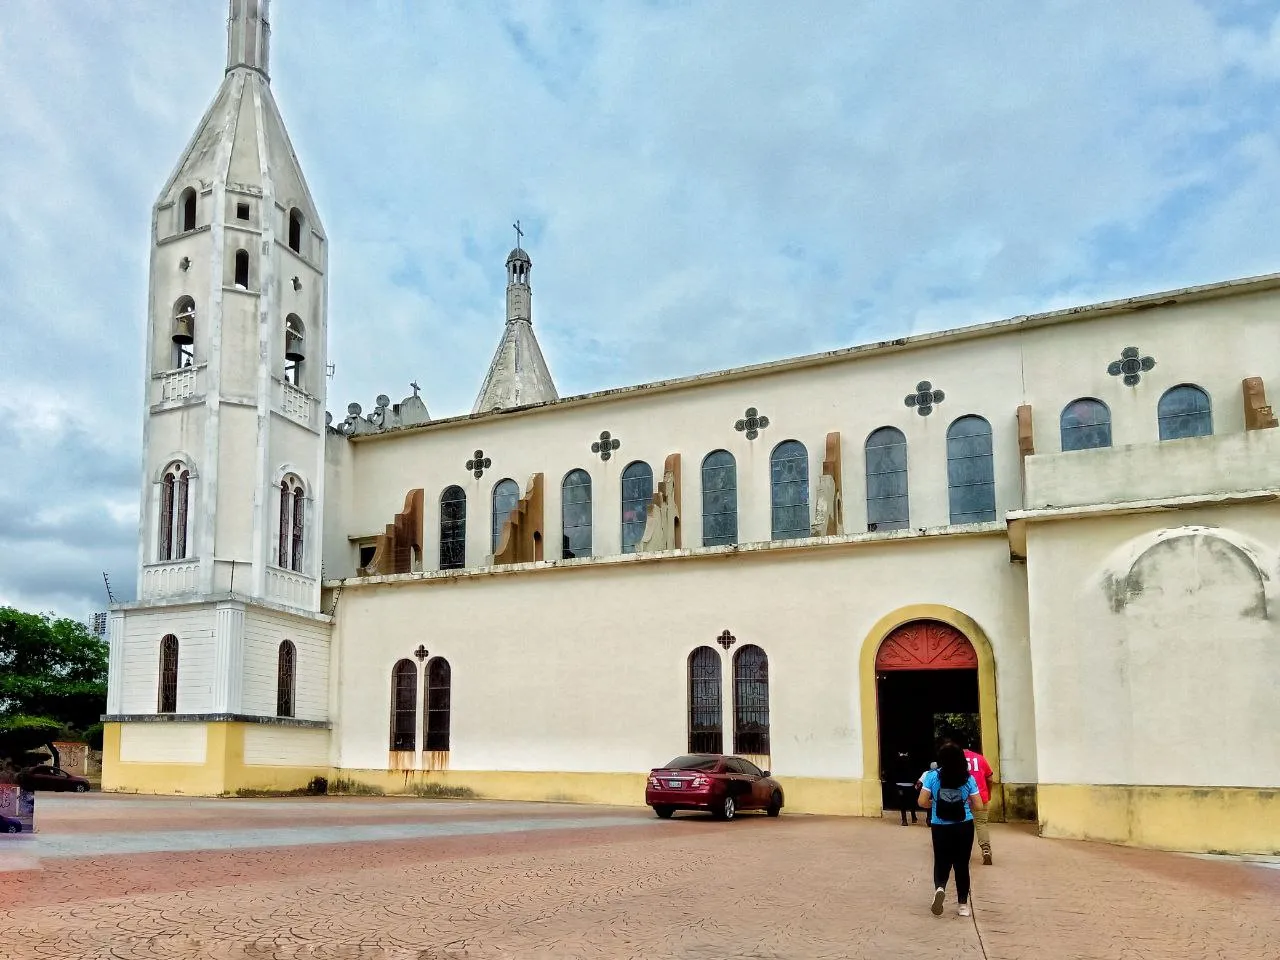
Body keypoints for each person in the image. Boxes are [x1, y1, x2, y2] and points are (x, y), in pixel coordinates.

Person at [918, 742, 986, 917]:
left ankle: (940, 888)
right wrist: (966, 802)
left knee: (941, 861)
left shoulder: (932, 777)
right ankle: (963, 905)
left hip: (939, 825)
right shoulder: (968, 778)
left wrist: (935, 803)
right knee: (962, 864)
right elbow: (979, 805)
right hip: (963, 825)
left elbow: (922, 802)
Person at [964, 744, 995, 865]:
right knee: (981, 824)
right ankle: (986, 849)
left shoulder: (954, 758)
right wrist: (988, 792)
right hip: (981, 797)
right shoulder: (980, 758)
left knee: (964, 826)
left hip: (961, 799)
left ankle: (964, 853)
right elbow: (990, 778)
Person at [890, 750, 917, 826]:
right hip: (910, 785)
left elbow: (893, 773)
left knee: (902, 802)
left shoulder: (897, 763)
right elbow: (914, 773)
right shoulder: (911, 763)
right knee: (912, 801)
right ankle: (913, 817)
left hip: (900, 786)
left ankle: (904, 820)